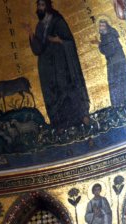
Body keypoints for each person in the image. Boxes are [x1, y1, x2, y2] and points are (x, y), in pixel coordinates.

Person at [24, 0, 89, 129]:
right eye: (38, 6)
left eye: (42, 5)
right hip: (47, 68)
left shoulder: (57, 21)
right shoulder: (39, 26)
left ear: (48, 6)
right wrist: (31, 33)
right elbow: (38, 50)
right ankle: (60, 125)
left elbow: (69, 41)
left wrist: (58, 40)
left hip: (61, 64)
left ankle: (79, 120)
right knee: (52, 94)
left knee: (65, 90)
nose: (40, 8)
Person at [92, 20, 126, 108]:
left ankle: (124, 103)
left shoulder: (110, 35)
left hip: (117, 63)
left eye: (103, 25)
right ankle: (119, 104)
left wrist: (99, 44)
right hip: (113, 63)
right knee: (115, 84)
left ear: (107, 26)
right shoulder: (105, 37)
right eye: (100, 26)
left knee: (119, 83)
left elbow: (110, 50)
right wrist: (100, 43)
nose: (101, 28)